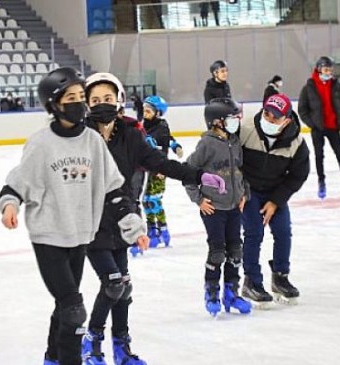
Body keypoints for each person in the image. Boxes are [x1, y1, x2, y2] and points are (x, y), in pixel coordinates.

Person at [0, 67, 146, 365]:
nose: (80, 103)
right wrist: (10, 205)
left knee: (64, 305)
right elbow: (17, 182)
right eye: (71, 98)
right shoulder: (42, 143)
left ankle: (52, 358)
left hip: (81, 236)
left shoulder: (92, 141)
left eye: (82, 97)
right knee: (74, 309)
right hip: (49, 237)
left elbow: (116, 192)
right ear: (54, 104)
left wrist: (133, 228)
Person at [81, 72, 225, 364]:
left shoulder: (131, 136)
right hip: (90, 222)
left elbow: (160, 163)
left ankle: (122, 348)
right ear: (86, 104)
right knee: (113, 282)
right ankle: (91, 340)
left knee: (123, 286)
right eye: (95, 100)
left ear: (119, 100)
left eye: (107, 98)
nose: (102, 104)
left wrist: (198, 175)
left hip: (123, 219)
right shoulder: (79, 137)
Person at [239, 93, 310, 307]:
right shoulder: (246, 129)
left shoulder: (296, 142)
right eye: (267, 113)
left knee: (282, 231)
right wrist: (239, 189)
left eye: (275, 117)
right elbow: (231, 161)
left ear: (286, 120)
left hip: (274, 192)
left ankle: (280, 276)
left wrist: (276, 201)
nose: (268, 119)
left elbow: (298, 175)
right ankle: (251, 281)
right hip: (248, 190)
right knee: (254, 231)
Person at [185, 98, 252, 317]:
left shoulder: (234, 141)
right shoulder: (207, 144)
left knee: (235, 250)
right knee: (217, 251)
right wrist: (198, 199)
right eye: (232, 118)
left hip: (234, 205)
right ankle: (212, 291)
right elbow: (188, 172)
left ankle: (231, 292)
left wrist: (244, 194)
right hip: (213, 208)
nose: (236, 123)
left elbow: (241, 171)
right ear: (217, 122)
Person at [298, 56, 340, 199]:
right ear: (319, 69)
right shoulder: (308, 87)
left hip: (334, 127)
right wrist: (312, 124)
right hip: (318, 128)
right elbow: (302, 109)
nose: (328, 72)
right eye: (325, 69)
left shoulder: (336, 85)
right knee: (319, 156)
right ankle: (321, 183)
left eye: (330, 70)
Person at [141, 95, 177, 248]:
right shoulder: (144, 126)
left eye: (148, 111)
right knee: (146, 200)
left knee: (154, 200)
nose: (145, 113)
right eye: (144, 110)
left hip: (159, 169)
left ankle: (163, 228)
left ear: (157, 113)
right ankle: (152, 229)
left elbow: (164, 147)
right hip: (147, 168)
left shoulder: (161, 128)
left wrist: (162, 168)